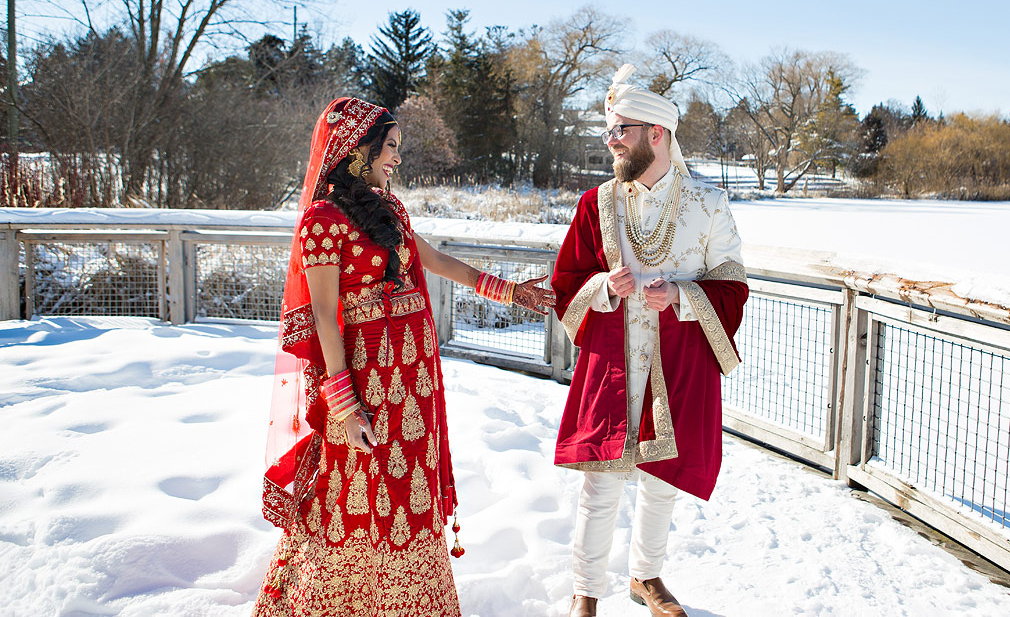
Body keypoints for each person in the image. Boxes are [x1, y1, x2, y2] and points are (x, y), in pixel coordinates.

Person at [251, 97, 555, 616]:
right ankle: (344, 598)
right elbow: (325, 314)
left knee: (407, 479)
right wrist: (344, 404)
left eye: (398, 148)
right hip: (363, 376)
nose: (396, 158)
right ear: (355, 150)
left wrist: (508, 291)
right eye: (389, 147)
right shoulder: (322, 220)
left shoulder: (388, 207)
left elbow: (431, 259)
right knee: (357, 480)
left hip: (414, 376)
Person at [550, 66, 749, 617]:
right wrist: (601, 288)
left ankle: (646, 578)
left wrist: (683, 297)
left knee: (660, 478)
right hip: (613, 359)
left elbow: (733, 283)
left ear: (656, 134)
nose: (611, 142)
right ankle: (585, 591)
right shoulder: (596, 204)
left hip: (676, 361)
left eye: (621, 131)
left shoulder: (709, 204)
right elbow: (566, 279)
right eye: (609, 132)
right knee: (601, 480)